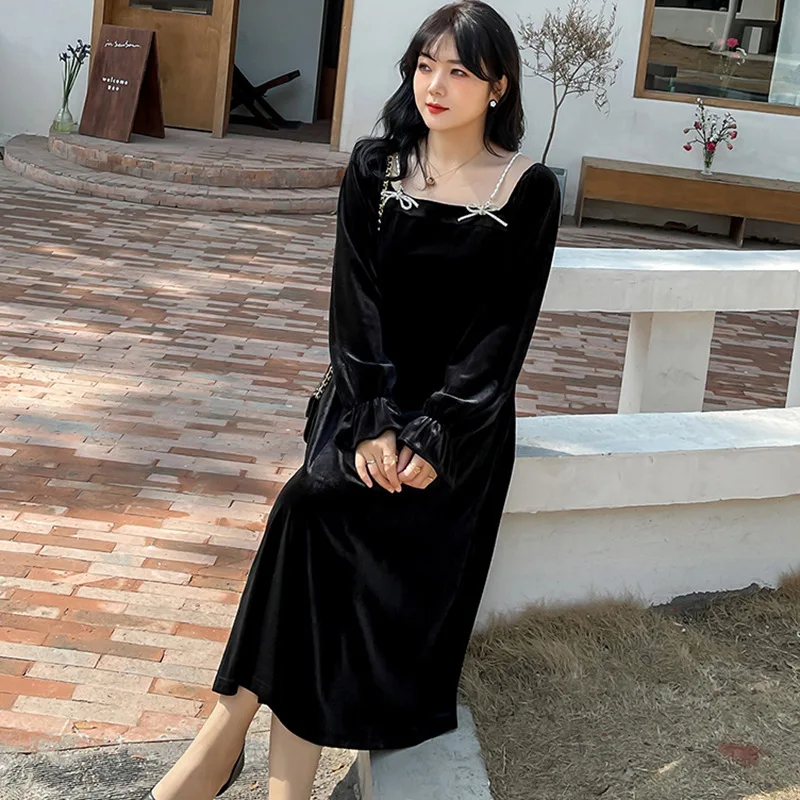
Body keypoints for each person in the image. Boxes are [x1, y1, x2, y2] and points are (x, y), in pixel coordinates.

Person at [145, 1, 560, 798]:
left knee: (313, 522)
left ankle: (226, 740)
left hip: (458, 430)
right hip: (365, 402)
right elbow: (355, 308)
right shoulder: (375, 168)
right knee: (314, 508)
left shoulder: (528, 191)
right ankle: (258, 767)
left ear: (498, 86)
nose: (435, 85)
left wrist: (433, 434)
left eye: (459, 71)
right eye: (425, 65)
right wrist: (371, 423)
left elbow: (499, 338)